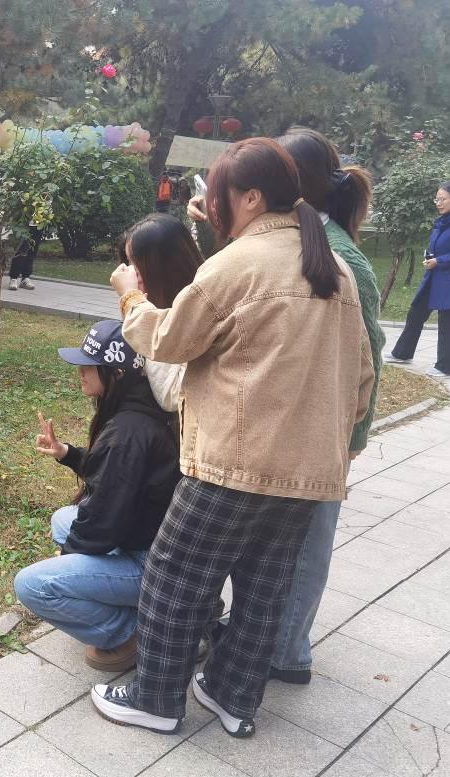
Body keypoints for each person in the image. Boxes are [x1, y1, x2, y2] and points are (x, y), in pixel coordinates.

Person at [94, 138, 373, 738]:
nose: (212, 205)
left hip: (235, 462)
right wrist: (337, 446)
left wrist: (130, 296)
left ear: (251, 198)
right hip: (308, 472)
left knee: (174, 574)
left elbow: (168, 340)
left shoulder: (239, 262)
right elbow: (362, 376)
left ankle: (154, 698)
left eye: (218, 193)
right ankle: (233, 696)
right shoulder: (337, 268)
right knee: (264, 587)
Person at [257, 127, 384, 685]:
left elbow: (369, 358)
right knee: (277, 540)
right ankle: (268, 633)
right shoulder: (293, 235)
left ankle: (288, 652)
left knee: (308, 543)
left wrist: (351, 442)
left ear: (293, 182)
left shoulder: (343, 257)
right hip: (287, 417)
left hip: (322, 430)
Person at [14, 320, 181, 671]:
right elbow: (116, 478)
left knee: (32, 585)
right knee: (62, 519)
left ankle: (130, 631)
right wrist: (67, 453)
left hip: (152, 568)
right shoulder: (138, 413)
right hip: (149, 545)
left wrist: (66, 556)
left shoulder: (127, 433)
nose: (80, 371)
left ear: (117, 373)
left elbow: (103, 522)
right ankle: (126, 606)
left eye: (90, 365)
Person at [385, 181, 450, 377]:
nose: (439, 203)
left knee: (447, 322)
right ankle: (402, 353)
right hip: (434, 276)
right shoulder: (444, 219)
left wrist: (439, 261)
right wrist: (430, 256)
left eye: (443, 199)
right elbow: (439, 243)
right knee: (416, 312)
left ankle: (446, 366)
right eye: (437, 199)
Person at [116, 214, 204, 412]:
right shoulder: (155, 303)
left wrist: (132, 300)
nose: (130, 273)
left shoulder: (196, 309)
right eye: (128, 262)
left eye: (135, 263)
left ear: (164, 268)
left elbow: (171, 394)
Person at [8, 225, 44, 291]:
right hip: (22, 224)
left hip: (37, 225)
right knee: (20, 251)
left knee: (32, 251)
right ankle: (13, 278)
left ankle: (25, 278)